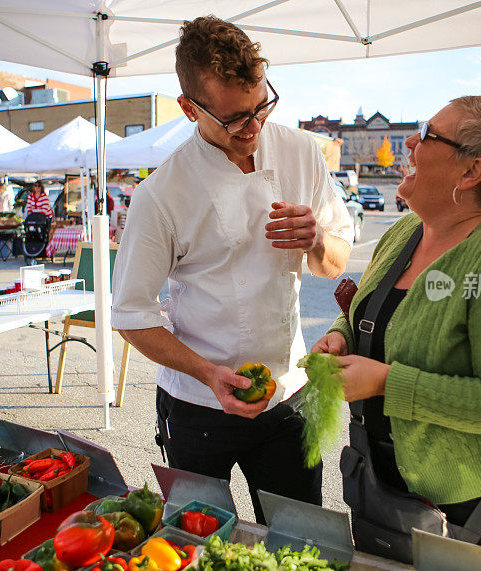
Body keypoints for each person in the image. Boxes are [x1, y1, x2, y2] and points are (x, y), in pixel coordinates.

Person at [112, 16, 353, 523]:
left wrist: (315, 239)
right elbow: (131, 314)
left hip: (287, 396)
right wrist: (207, 373)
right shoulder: (161, 193)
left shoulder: (302, 152)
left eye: (262, 105)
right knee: (202, 537)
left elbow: (335, 265)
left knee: (298, 534)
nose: (254, 127)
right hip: (199, 404)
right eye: (235, 118)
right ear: (188, 107)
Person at [313, 96, 481, 557]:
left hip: (474, 497)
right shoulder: (405, 232)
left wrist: (386, 382)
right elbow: (370, 314)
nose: (408, 142)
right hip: (388, 476)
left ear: (471, 173)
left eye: (427, 134)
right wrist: (341, 336)